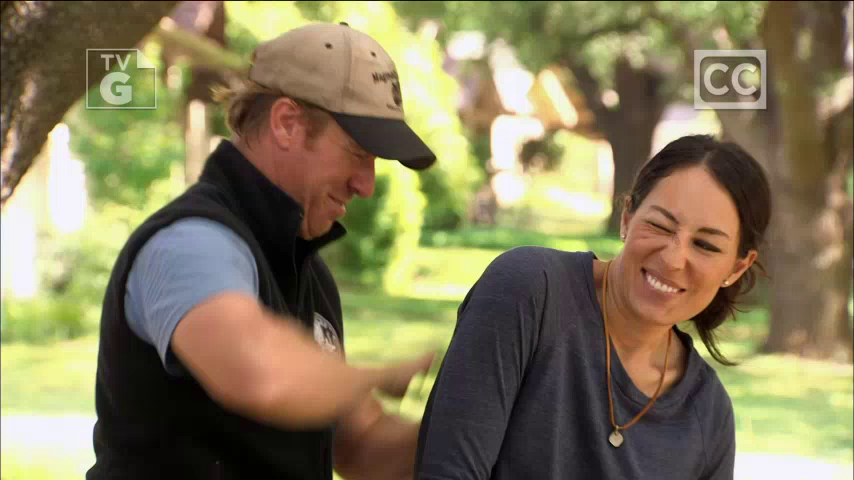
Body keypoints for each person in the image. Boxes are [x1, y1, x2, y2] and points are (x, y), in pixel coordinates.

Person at [87, 22, 439, 480]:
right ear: (287, 123)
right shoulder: (191, 243)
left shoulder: (306, 271)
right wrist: (379, 376)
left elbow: (361, 445)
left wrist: (483, 431)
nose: (366, 184)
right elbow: (258, 373)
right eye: (358, 152)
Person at [413, 134, 773, 480]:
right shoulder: (528, 290)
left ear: (737, 267)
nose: (673, 259)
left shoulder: (708, 415)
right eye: (661, 226)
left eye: (706, 246)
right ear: (627, 216)